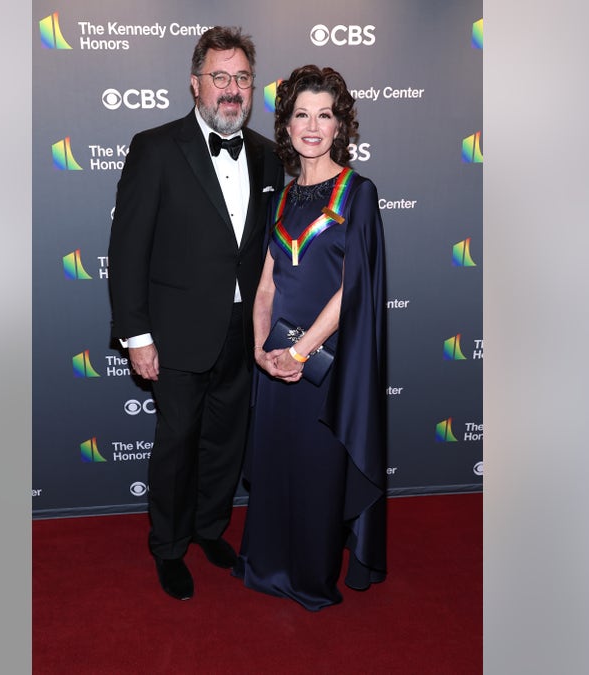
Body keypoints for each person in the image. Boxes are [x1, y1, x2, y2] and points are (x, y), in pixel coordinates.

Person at [107, 26, 285, 601]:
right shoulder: (155, 147)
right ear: (194, 83)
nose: (231, 89)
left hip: (242, 333)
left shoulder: (265, 154)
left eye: (241, 78)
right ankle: (168, 546)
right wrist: (137, 335)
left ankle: (210, 529)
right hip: (176, 332)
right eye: (219, 77)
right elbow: (128, 249)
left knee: (225, 443)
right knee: (177, 444)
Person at [233, 65, 388, 611]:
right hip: (276, 359)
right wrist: (261, 350)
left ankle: (308, 577)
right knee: (277, 463)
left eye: (325, 114)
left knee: (319, 469)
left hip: (325, 363)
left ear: (342, 124)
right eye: (302, 114)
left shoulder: (358, 193)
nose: (313, 126)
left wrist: (299, 352)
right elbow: (267, 284)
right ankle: (267, 565)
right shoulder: (282, 195)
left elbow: (354, 290)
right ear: (288, 124)